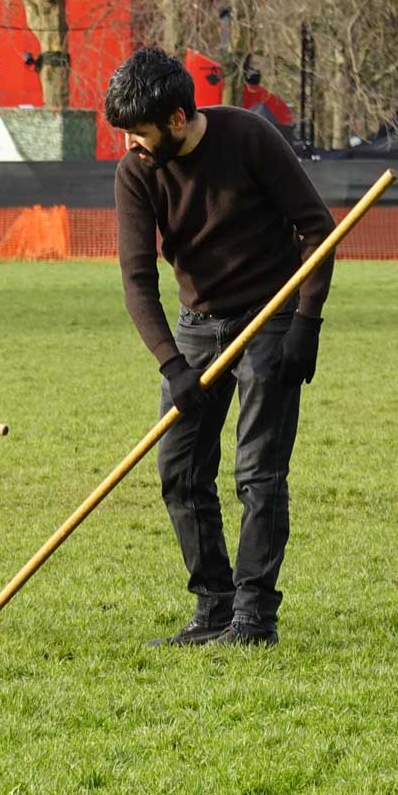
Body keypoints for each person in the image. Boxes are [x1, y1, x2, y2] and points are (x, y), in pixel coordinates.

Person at [104, 47, 335, 648]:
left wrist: (306, 323)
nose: (131, 144)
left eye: (139, 132)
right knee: (179, 471)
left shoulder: (249, 138)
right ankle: (214, 608)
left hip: (270, 317)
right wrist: (172, 364)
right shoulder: (136, 172)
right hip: (196, 326)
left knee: (258, 474)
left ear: (177, 119)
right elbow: (136, 279)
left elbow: (317, 228)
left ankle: (254, 619)